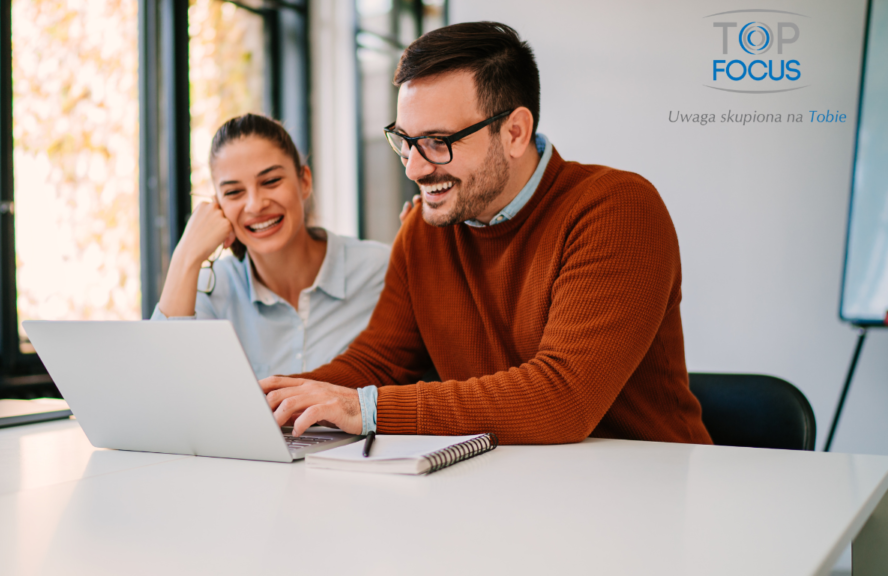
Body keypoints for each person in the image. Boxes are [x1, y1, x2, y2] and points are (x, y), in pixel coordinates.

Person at [262, 22, 713, 446]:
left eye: (439, 142)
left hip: (649, 494)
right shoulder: (425, 228)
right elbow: (379, 363)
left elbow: (563, 398)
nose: (415, 168)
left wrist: (365, 408)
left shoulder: (616, 209)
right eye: (405, 141)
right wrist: (275, 402)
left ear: (515, 132)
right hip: (506, 491)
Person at [152, 114, 390, 379]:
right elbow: (161, 383)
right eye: (233, 192)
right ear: (218, 205)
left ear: (304, 182)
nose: (255, 205)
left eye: (270, 181)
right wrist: (186, 255)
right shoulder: (211, 288)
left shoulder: (381, 270)